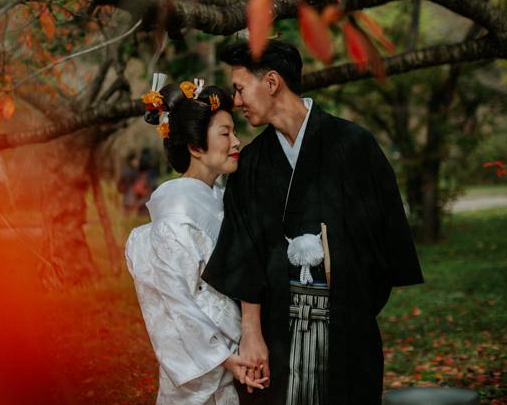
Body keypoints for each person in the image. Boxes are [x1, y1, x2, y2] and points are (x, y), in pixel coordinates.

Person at [201, 41, 424, 405]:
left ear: (271, 82)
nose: (236, 101)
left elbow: (383, 242)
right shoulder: (251, 164)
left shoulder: (354, 145)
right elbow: (244, 254)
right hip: (275, 331)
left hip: (347, 325)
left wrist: (350, 306)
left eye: (240, 89)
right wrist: (251, 333)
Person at [126, 77, 267, 405]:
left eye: (234, 131)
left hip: (240, 350)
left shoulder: (222, 197)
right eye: (225, 133)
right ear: (194, 147)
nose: (236, 142)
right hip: (207, 365)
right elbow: (175, 304)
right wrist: (223, 358)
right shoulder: (175, 215)